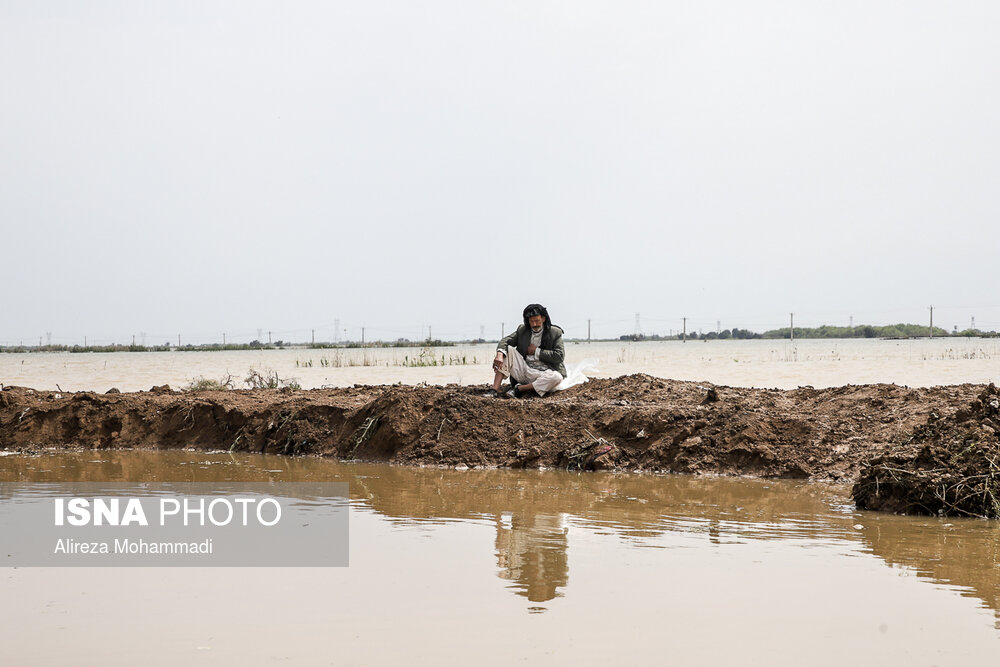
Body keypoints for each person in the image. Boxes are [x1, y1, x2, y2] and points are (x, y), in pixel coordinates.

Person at [484, 304, 566, 398]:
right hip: (524, 370)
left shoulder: (555, 332)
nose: (534, 324)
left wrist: (536, 351)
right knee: (507, 350)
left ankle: (520, 389)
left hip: (544, 374)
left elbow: (559, 356)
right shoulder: (522, 330)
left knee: (557, 377)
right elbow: (506, 341)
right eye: (532, 321)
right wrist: (499, 354)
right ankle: (495, 389)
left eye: (537, 321)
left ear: (543, 319)